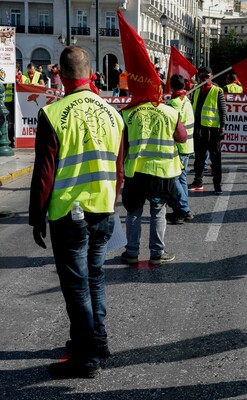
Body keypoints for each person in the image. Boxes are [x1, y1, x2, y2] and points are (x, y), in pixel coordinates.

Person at [28, 46, 125, 379]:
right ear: (90, 74)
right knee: (95, 277)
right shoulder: (113, 113)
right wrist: (112, 201)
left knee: (77, 286)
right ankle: (98, 340)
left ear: (62, 76)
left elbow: (44, 173)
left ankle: (86, 356)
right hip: (104, 208)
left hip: (69, 213)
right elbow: (119, 168)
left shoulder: (54, 114)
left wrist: (36, 217)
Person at [120, 93, 187, 266]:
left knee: (133, 213)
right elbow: (182, 137)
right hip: (161, 172)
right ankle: (157, 254)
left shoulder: (128, 113)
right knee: (158, 212)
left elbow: (122, 144)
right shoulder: (170, 112)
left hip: (135, 172)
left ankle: (131, 252)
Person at [188, 66, 227, 194]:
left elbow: (223, 110)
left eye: (207, 76)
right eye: (202, 76)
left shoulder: (217, 90)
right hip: (199, 129)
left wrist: (222, 127)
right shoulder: (196, 90)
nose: (205, 78)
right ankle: (198, 181)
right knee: (199, 158)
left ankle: (217, 185)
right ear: (198, 77)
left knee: (215, 159)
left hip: (213, 131)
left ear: (212, 76)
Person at [166, 74, 195, 225]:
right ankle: (182, 208)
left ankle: (184, 209)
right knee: (182, 177)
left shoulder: (172, 104)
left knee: (174, 178)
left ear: (171, 86)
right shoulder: (187, 101)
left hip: (178, 146)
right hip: (188, 145)